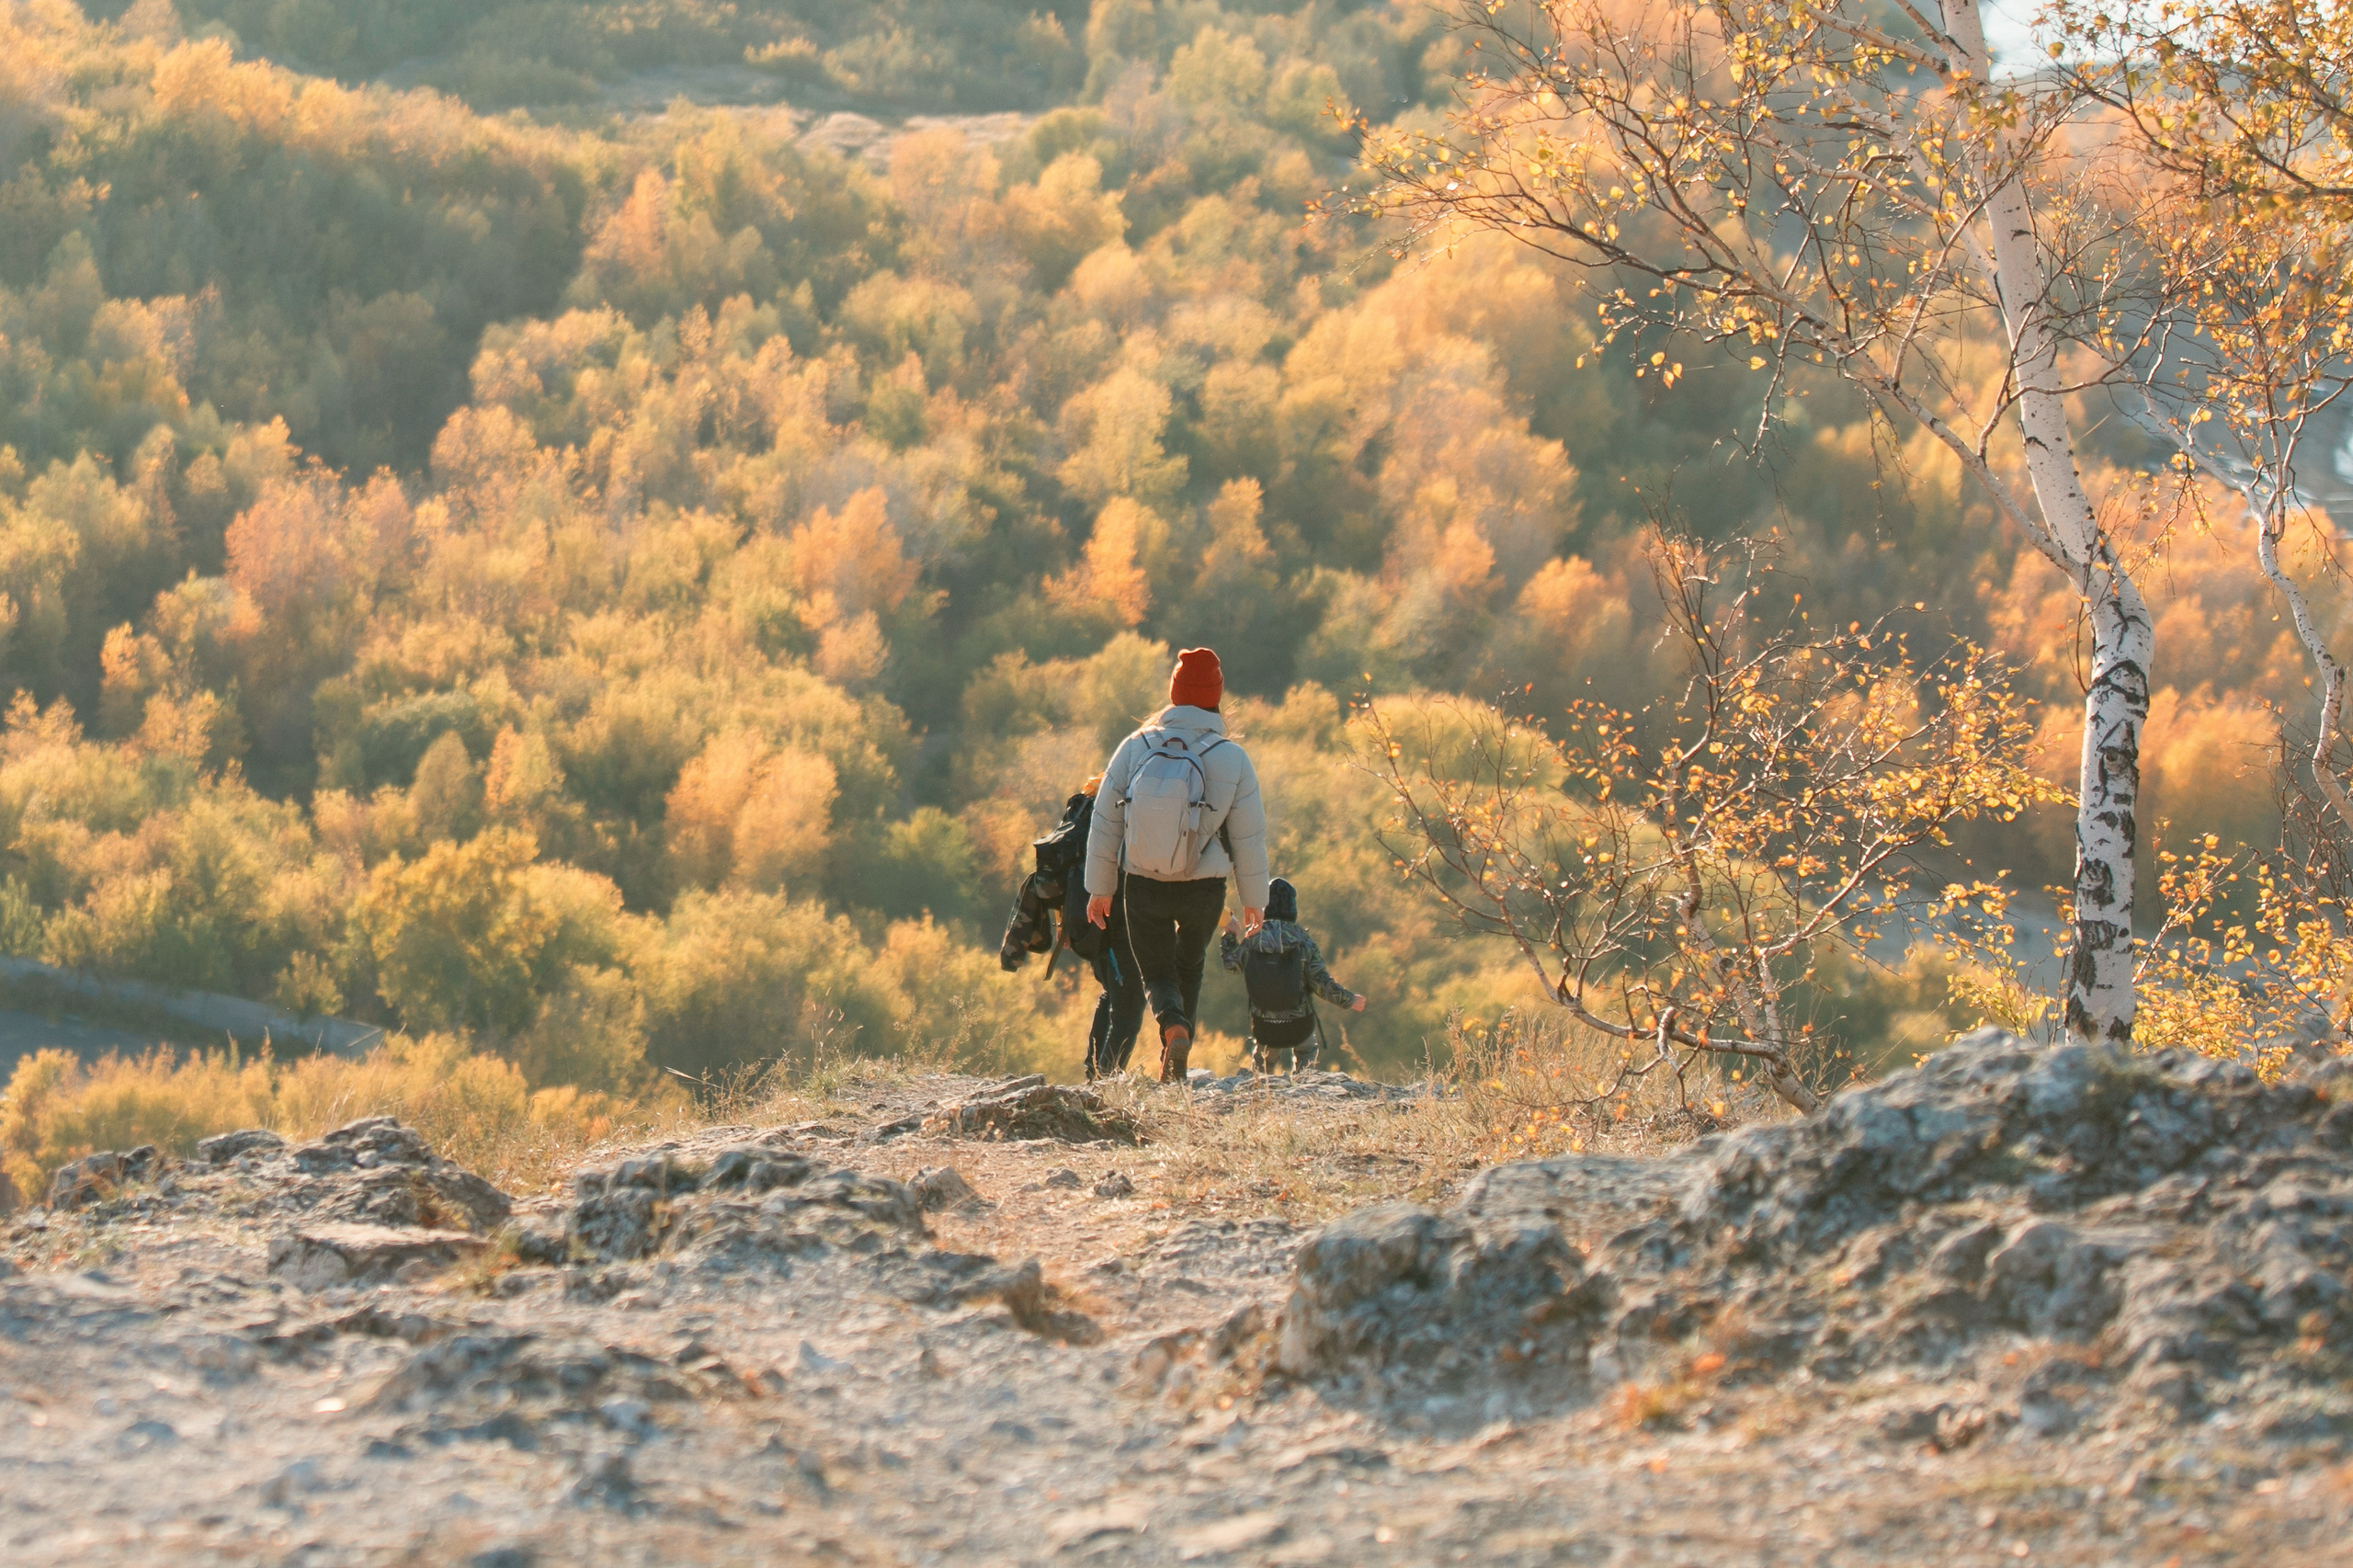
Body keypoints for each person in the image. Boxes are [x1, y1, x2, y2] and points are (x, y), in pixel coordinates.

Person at [1084, 646, 1268, 1083]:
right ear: (1215, 697)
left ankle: (1172, 1026)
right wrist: (1254, 900)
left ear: (1174, 693)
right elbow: (1248, 837)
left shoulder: (1136, 746)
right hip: (1203, 888)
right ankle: (1176, 1058)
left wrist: (1100, 887)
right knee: (1190, 964)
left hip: (1142, 882)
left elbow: (1106, 819)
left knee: (1156, 970)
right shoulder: (1233, 758)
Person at [1220, 876, 1365, 1074]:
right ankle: (1304, 1089)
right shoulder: (1304, 941)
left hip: (1265, 1026)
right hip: (1299, 1025)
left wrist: (1229, 937)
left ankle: (1260, 1093)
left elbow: (1231, 965)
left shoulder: (1253, 938)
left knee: (1263, 1067)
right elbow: (1321, 984)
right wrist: (1350, 1000)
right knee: (1307, 1051)